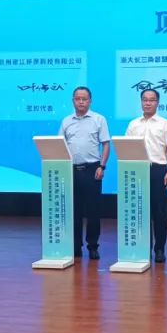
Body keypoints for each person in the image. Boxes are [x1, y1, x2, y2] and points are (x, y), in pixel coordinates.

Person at [125, 89, 167, 263]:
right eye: (145, 100)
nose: (148, 103)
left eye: (152, 100)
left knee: (159, 212)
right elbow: (127, 147)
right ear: (141, 102)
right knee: (139, 210)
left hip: (158, 170)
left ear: (157, 103)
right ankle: (142, 248)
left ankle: (160, 249)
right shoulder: (133, 124)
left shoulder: (165, 124)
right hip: (138, 170)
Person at [58, 86, 111, 260]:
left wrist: (102, 166)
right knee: (74, 210)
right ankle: (75, 246)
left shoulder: (99, 119)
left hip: (92, 169)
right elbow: (60, 145)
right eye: (77, 98)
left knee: (93, 211)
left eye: (84, 99)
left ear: (90, 101)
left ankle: (93, 246)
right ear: (73, 101)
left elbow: (106, 144)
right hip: (71, 170)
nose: (81, 102)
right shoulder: (66, 121)